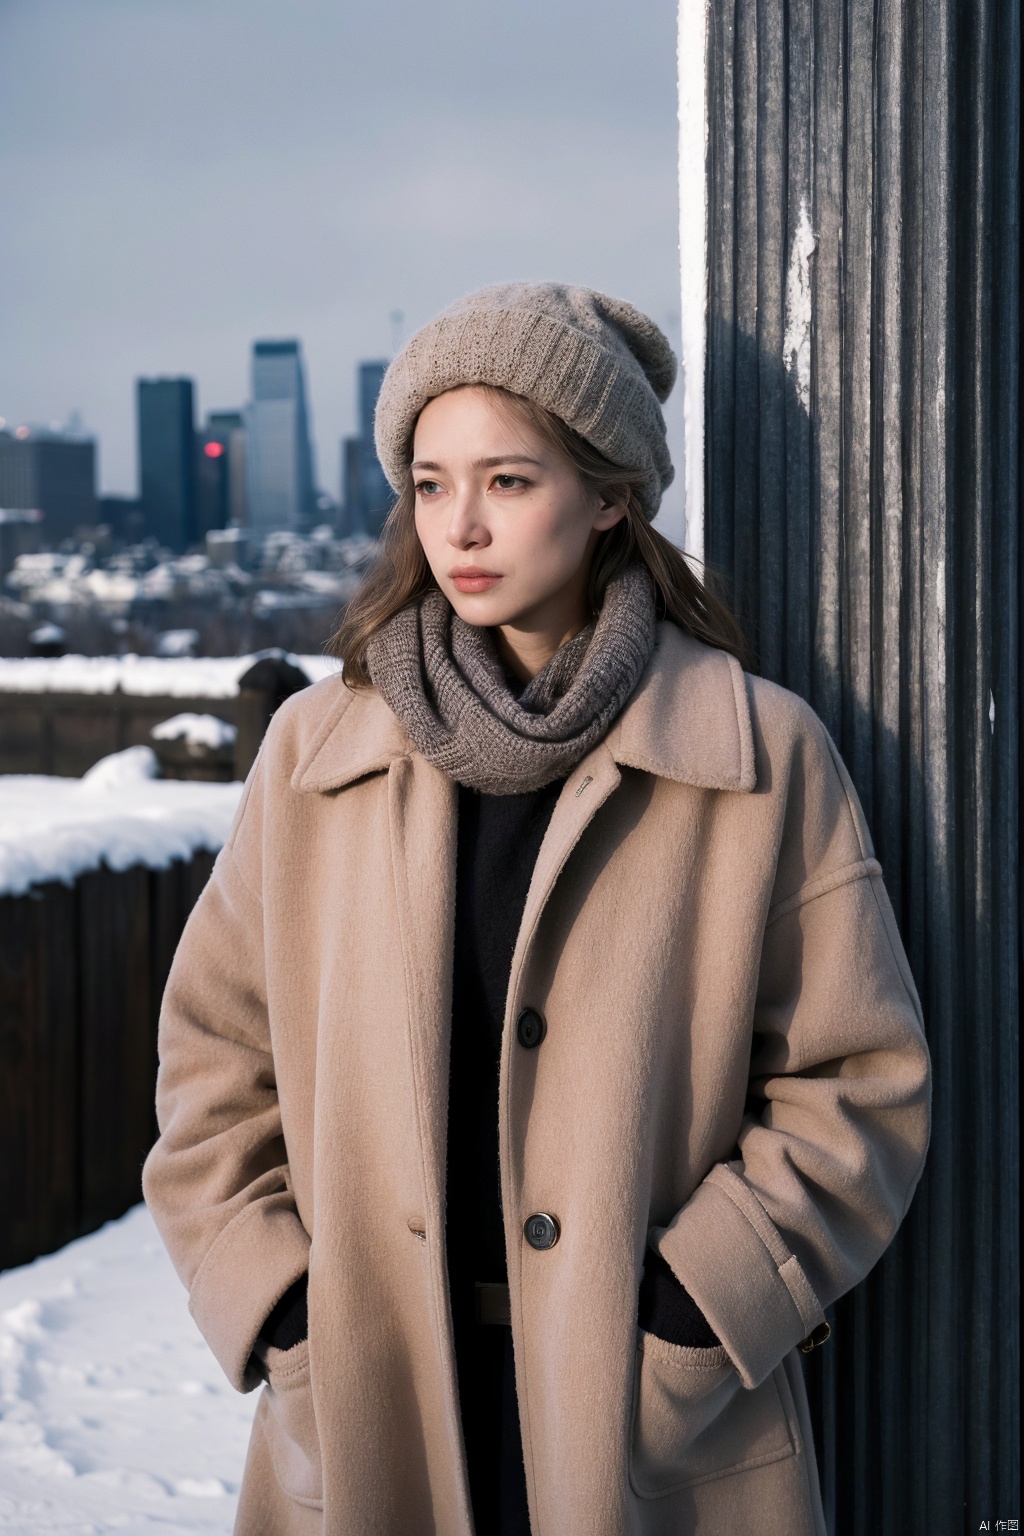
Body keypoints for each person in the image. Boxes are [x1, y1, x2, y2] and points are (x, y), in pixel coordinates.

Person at [142, 283, 931, 1536]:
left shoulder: (752, 753)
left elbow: (860, 1084)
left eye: (509, 481)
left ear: (609, 495)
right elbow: (212, 1066)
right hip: (370, 1395)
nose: (462, 526)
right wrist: (283, 1313)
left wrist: (695, 1313)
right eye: (431, 482)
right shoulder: (315, 754)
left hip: (644, 1417)